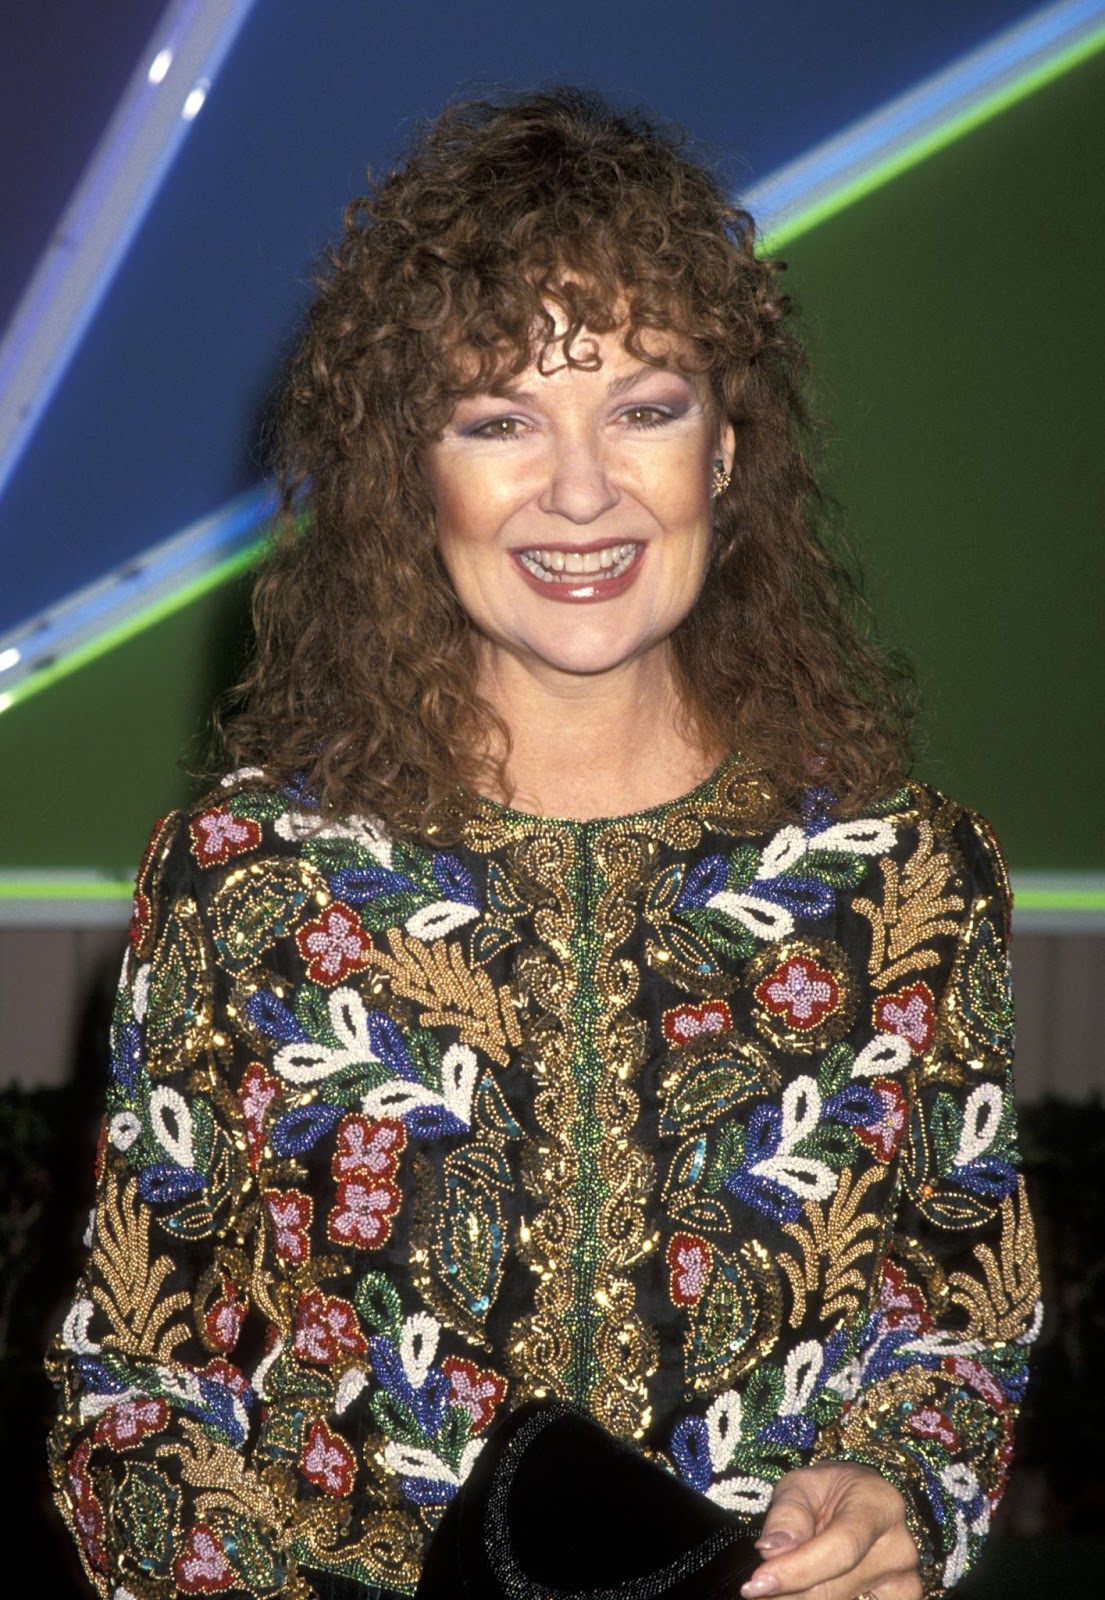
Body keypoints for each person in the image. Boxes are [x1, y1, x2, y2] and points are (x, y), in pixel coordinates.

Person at [48, 88, 1039, 1600]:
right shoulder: (252, 873)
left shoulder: (905, 873)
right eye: (497, 419)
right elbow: (133, 1392)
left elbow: (954, 1327)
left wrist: (894, 1490)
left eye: (644, 406)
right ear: (408, 477)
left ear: (725, 451)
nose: (580, 492)